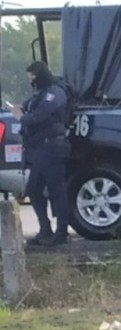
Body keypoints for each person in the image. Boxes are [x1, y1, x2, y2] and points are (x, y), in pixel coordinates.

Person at [10, 61, 71, 246]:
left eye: (33, 77)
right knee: (34, 191)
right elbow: (30, 107)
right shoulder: (41, 93)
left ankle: (61, 232)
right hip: (40, 150)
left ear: (40, 75)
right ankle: (45, 230)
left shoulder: (54, 92)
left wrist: (22, 117)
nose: (31, 80)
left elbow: (40, 116)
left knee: (56, 191)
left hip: (52, 148)